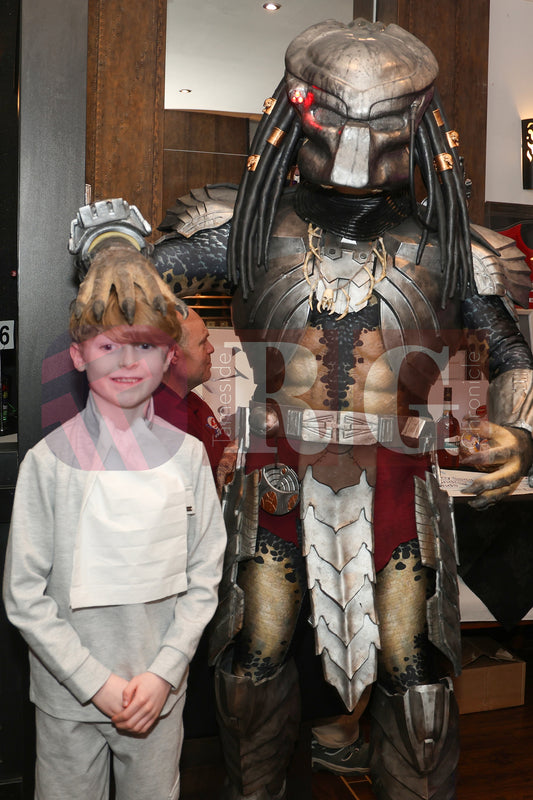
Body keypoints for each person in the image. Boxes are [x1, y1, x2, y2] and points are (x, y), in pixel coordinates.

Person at [67, 18, 533, 800]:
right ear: (296, 114)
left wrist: (520, 430)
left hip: (398, 484)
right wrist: (112, 244)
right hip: (274, 477)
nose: (356, 149)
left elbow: (514, 358)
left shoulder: (453, 248)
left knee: (417, 688)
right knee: (250, 679)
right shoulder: (243, 229)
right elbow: (130, 267)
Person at [3, 246, 226, 799]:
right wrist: (94, 683)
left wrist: (164, 672)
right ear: (79, 356)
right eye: (108, 346)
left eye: (144, 346)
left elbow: (204, 577)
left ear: (169, 356)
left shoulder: (189, 457)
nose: (127, 363)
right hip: (69, 700)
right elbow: (25, 595)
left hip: (158, 695)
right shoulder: (47, 464)